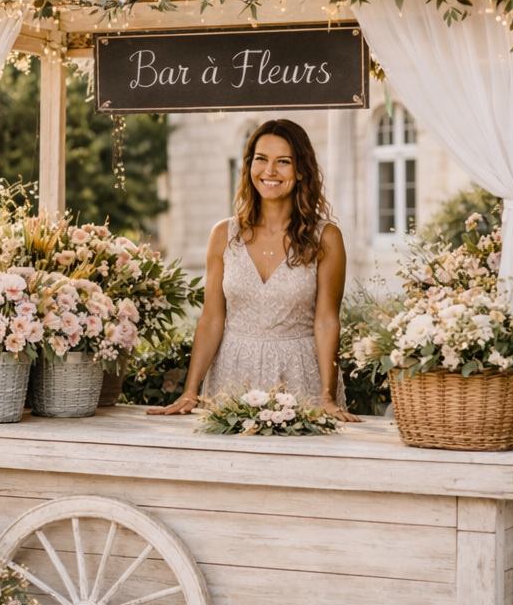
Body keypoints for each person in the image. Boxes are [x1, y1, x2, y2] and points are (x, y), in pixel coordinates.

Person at [151, 120, 359, 418]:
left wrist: (326, 396)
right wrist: (190, 390)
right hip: (231, 376)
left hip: (300, 376)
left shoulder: (325, 238)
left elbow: (327, 321)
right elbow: (211, 318)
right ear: (248, 166)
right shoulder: (223, 235)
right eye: (261, 159)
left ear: (301, 170)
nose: (270, 171)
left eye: (283, 162)